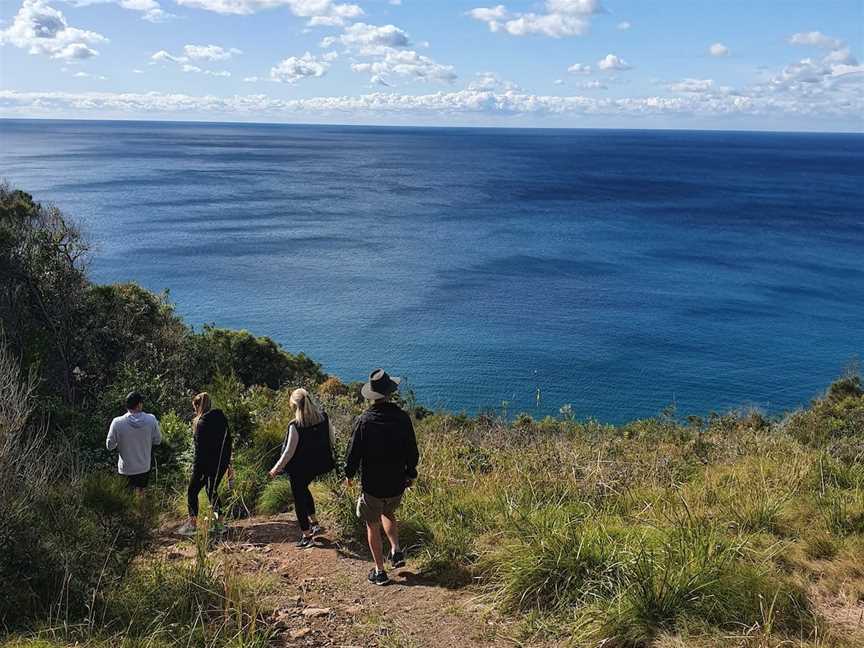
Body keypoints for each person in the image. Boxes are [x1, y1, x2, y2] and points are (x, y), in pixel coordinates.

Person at [345, 369, 419, 586]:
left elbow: (353, 453)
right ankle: (396, 549)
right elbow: (412, 451)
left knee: (372, 524)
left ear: (372, 396)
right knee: (389, 512)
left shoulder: (364, 421)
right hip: (397, 483)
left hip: (373, 485)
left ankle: (379, 571)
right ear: (390, 393)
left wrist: (348, 475)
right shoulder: (402, 418)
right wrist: (410, 473)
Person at [268, 388, 336, 548]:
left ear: (295, 406)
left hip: (299, 469)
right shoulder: (323, 417)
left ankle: (306, 535)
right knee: (304, 489)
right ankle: (315, 523)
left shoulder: (295, 425)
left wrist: (276, 468)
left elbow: (288, 452)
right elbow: (332, 438)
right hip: (320, 464)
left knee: (299, 498)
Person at [177, 392, 233, 536]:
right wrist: (229, 465)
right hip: (221, 462)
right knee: (211, 490)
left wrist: (196, 470)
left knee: (192, 491)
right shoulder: (221, 418)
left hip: (205, 464)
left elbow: (200, 451)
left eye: (194, 408)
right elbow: (228, 442)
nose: (194, 411)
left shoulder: (200, 423)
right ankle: (219, 523)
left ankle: (192, 524)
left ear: (198, 406)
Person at [106, 391, 162, 494]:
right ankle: (141, 508)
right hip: (144, 466)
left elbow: (110, 446)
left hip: (125, 468)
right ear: (139, 404)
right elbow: (157, 441)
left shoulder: (117, 422)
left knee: (126, 497)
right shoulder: (151, 419)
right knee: (140, 494)